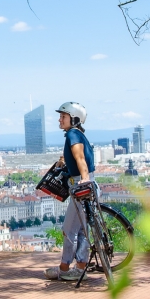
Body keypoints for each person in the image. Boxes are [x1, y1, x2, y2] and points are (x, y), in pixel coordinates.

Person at [44, 101, 95, 282]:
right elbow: (77, 156)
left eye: (63, 116)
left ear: (74, 119)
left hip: (80, 184)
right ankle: (80, 266)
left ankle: (64, 268)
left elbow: (79, 157)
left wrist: (84, 178)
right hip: (88, 182)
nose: (60, 119)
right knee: (82, 229)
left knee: (69, 229)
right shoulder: (78, 134)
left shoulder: (72, 134)